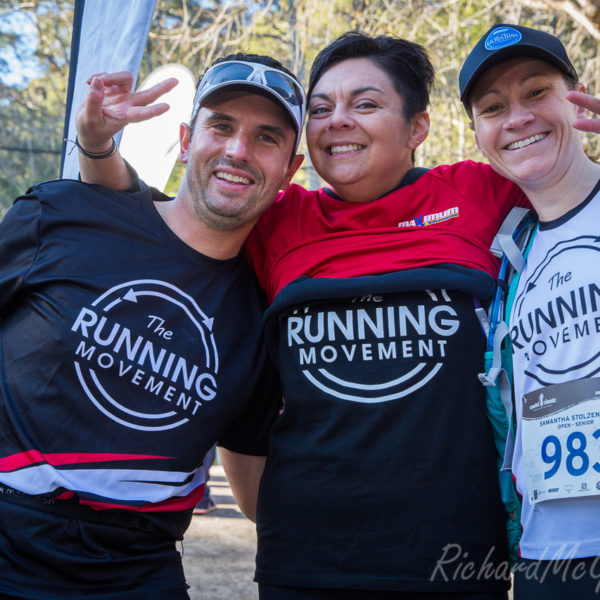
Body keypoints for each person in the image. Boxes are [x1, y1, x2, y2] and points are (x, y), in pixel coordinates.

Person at [77, 34, 529, 599]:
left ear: (418, 127)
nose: (337, 121)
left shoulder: (482, 193)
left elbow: (579, 203)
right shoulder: (278, 218)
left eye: (365, 104)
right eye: (320, 109)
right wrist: (97, 145)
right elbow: (154, 224)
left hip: (458, 558)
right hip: (306, 558)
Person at [0, 52, 304, 598]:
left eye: (266, 137)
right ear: (186, 141)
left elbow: (253, 486)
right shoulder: (64, 212)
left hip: (135, 573)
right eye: (221, 126)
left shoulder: (264, 317)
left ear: (290, 169)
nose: (238, 149)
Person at [460, 23, 600, 599]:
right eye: (493, 107)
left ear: (578, 96)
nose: (516, 117)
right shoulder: (509, 258)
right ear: (477, 133)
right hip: (550, 554)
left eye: (536, 92)